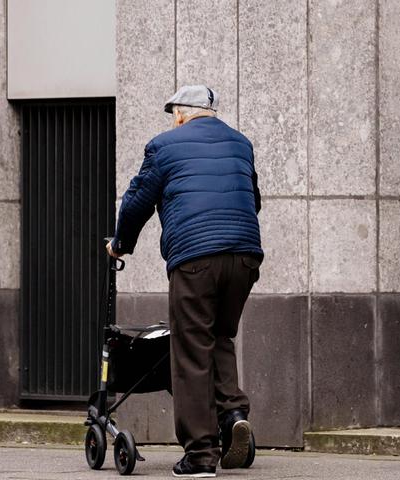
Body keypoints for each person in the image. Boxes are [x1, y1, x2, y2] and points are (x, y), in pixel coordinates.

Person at [106, 85, 263, 478]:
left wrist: (120, 245)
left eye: (172, 112)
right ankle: (234, 415)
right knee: (220, 336)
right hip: (245, 255)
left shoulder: (164, 146)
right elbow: (253, 198)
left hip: (196, 257)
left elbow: (138, 200)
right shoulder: (240, 143)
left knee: (191, 348)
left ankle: (200, 455)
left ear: (181, 113)